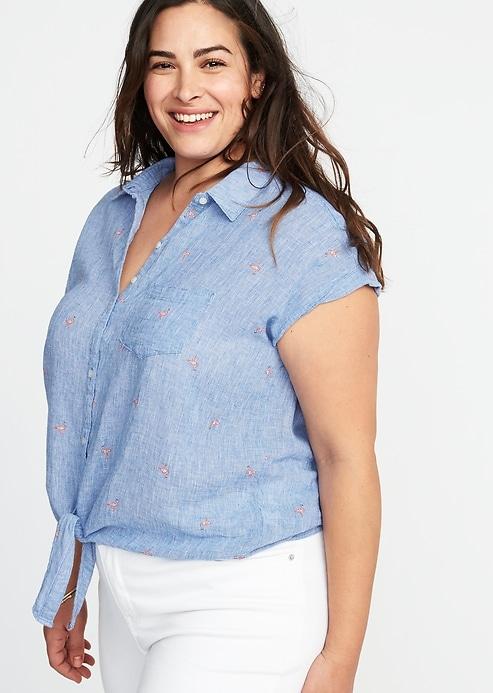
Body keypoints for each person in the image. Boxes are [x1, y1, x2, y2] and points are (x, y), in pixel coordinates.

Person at [32, 1, 385, 691]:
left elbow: (346, 456)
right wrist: (71, 576)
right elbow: (96, 416)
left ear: (257, 78)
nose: (185, 89)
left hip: (241, 597)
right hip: (119, 589)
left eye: (212, 63)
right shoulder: (114, 217)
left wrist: (340, 661)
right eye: (164, 64)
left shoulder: (301, 236)